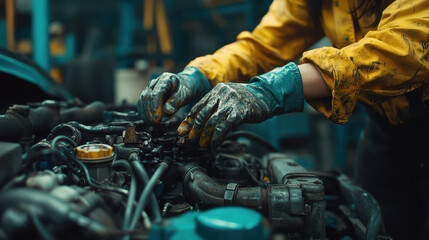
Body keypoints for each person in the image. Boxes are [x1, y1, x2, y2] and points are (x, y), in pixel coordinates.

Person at [137, 0, 429, 239]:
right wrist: (197, 75)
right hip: (385, 133)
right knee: (378, 228)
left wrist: (276, 87)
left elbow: (405, 49)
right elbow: (264, 45)